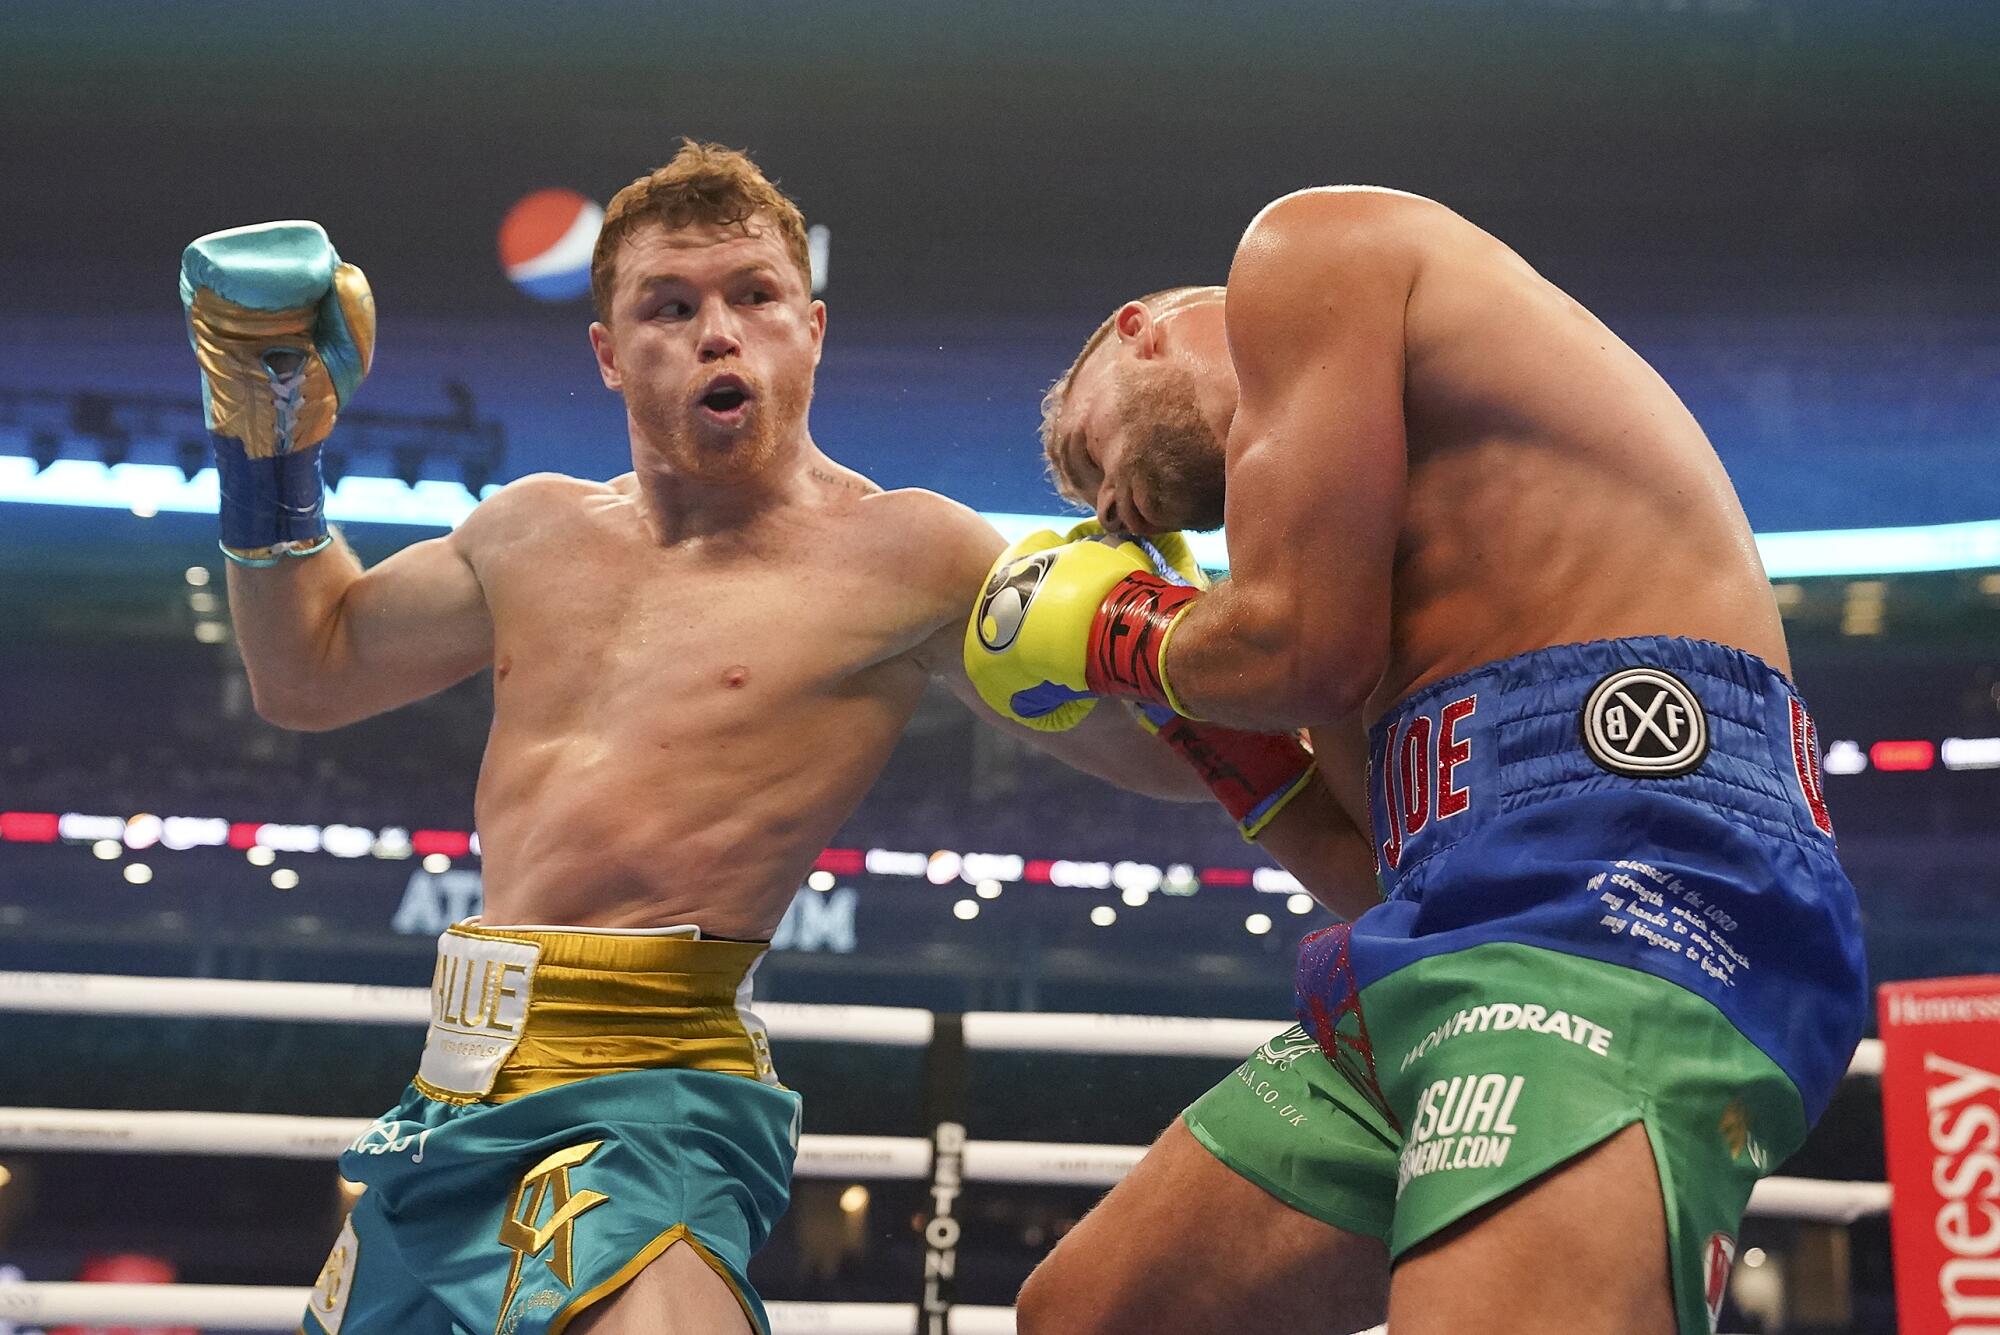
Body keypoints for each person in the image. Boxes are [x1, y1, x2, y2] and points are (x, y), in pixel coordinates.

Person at [178, 144, 1350, 1335]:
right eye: (669, 306)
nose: (717, 331)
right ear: (607, 352)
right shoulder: (526, 531)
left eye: (753, 295)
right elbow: (307, 673)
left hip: (654, 1084)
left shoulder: (915, 556)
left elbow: (1164, 761)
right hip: (455, 1083)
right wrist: (268, 445)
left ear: (812, 328)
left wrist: (1152, 614)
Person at [966, 186, 1868, 1334]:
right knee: (1087, 1317)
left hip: (1635, 892)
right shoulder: (1327, 582)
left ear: (1136, 328)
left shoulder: (1307, 254)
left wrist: (1116, 631)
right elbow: (1375, 875)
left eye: (1082, 447)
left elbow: (1301, 651)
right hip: (1453, 933)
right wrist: (1198, 714)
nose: (1104, 508)